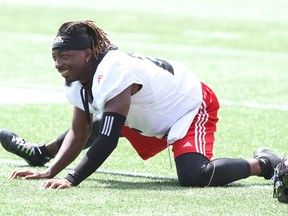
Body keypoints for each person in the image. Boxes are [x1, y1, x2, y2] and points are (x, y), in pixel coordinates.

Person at [0, 20, 282, 189]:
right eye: (55, 58)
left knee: (194, 175)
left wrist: (72, 178)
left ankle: (264, 163)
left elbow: (108, 138)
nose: (59, 64)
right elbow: (80, 131)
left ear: (88, 54)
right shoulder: (79, 78)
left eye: (65, 56)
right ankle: (41, 154)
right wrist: (51, 171)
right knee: (100, 122)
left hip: (189, 105)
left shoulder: (114, 71)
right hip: (145, 112)